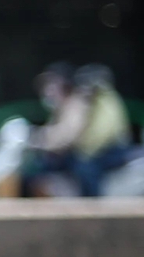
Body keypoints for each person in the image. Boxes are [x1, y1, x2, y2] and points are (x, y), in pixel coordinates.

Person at [27, 62, 133, 196]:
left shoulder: (100, 101)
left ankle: (94, 208)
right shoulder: (74, 103)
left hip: (108, 150)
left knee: (85, 170)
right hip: (89, 150)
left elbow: (75, 134)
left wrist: (46, 142)